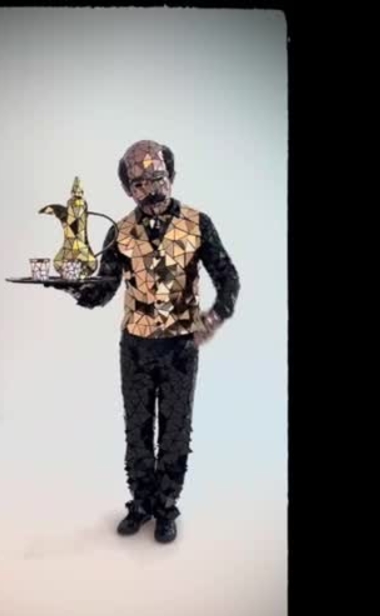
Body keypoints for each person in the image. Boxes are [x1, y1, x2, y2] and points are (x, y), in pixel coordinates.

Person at [63, 140, 240, 543]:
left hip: (180, 348)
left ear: (171, 176)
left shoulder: (198, 224)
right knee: (137, 430)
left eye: (158, 177)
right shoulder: (120, 231)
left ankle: (166, 507)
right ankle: (141, 503)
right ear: (128, 189)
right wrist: (75, 289)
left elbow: (228, 278)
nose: (151, 189)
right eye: (139, 183)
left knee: (175, 431)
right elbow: (103, 289)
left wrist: (214, 318)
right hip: (135, 348)